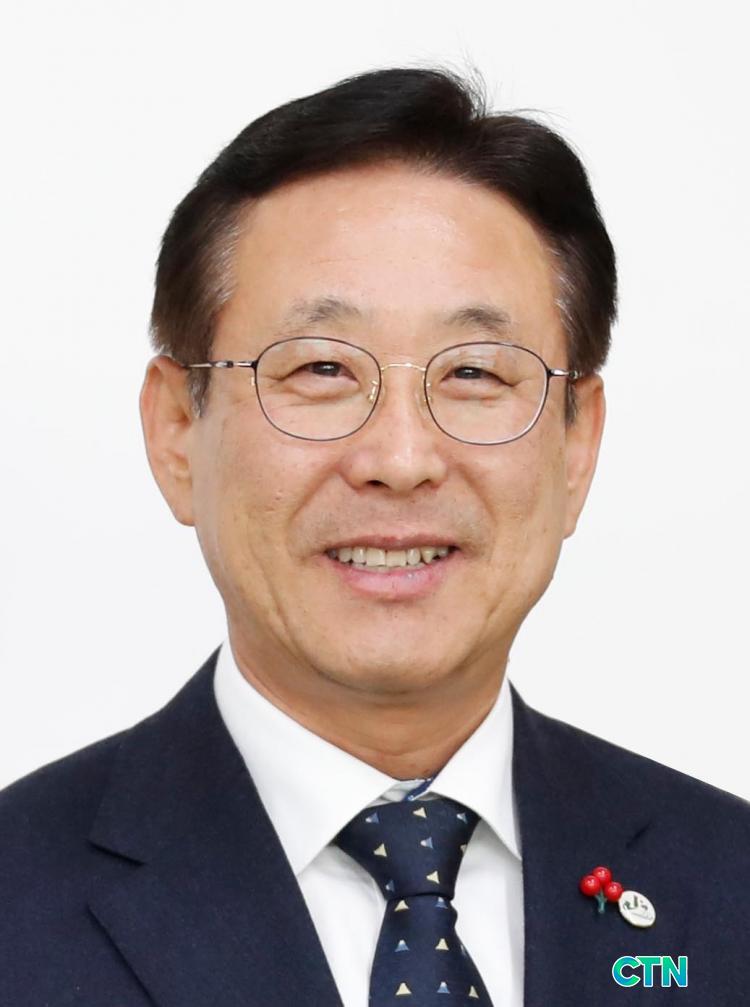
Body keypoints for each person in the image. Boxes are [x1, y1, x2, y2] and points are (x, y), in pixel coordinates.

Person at [1, 66, 747, 1006]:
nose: (401, 457)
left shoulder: (728, 887)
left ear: (576, 446)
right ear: (177, 430)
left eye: (475, 373)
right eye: (320, 368)